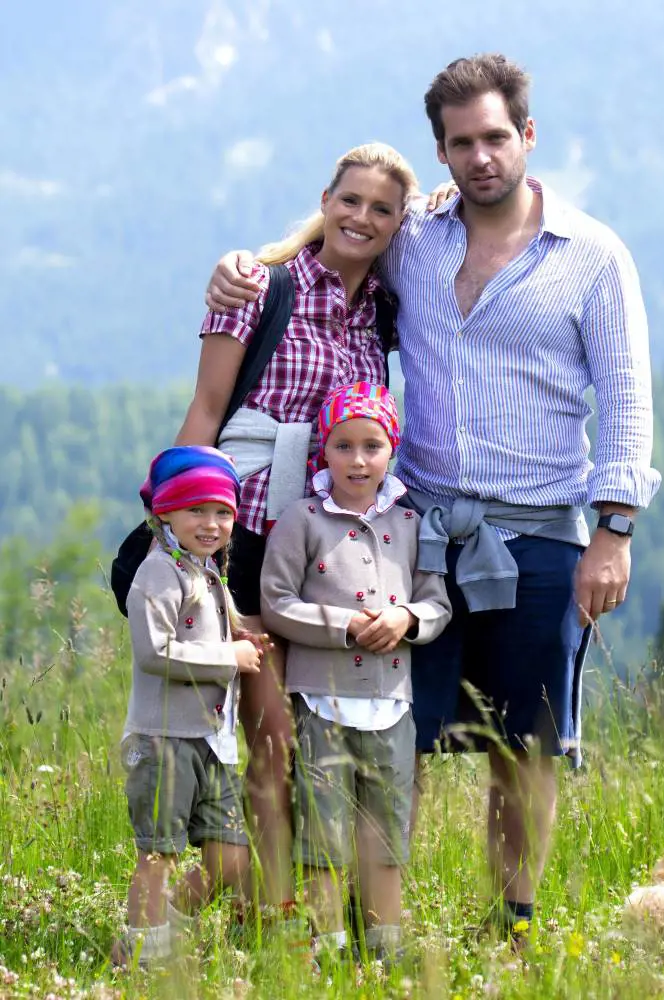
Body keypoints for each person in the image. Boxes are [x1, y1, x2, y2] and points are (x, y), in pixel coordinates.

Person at [204, 53, 661, 944]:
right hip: (412, 529)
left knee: (523, 745)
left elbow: (629, 397)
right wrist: (243, 266)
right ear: (443, 154)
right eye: (462, 143)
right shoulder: (417, 235)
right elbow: (343, 231)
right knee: (382, 732)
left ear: (528, 136)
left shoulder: (595, 256)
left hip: (541, 533)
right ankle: (363, 923)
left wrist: (615, 531)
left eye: (497, 136)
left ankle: (514, 920)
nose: (482, 155)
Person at [174, 142, 420, 921]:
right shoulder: (261, 287)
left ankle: (310, 907)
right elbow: (205, 419)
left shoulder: (380, 310)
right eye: (350, 201)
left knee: (328, 742)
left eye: (382, 209)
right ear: (325, 199)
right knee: (273, 738)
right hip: (247, 531)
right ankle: (279, 918)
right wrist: (188, 557)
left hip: (330, 548)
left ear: (396, 225)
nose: (362, 218)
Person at [259, 382, 451, 964]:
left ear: (391, 449)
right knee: (322, 827)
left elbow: (437, 602)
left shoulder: (413, 522)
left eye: (372, 445)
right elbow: (276, 601)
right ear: (325, 451)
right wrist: (342, 625)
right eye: (344, 446)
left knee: (386, 827)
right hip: (323, 701)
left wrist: (406, 618)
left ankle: (384, 945)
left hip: (392, 701)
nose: (359, 460)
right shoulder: (303, 520)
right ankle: (326, 947)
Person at [114, 446, 262, 966]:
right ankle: (143, 956)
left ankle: (155, 930)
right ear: (165, 514)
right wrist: (231, 656)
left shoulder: (206, 572)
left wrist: (240, 635)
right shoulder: (158, 573)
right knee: (158, 853)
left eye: (222, 512)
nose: (211, 522)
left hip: (211, 741)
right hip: (164, 738)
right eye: (196, 509)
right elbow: (155, 653)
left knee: (231, 859)